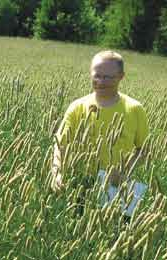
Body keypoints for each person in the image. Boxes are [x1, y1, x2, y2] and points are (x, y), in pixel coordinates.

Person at [50, 50, 149, 218]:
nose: (101, 82)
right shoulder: (77, 107)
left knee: (114, 238)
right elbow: (61, 145)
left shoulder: (134, 109)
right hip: (78, 185)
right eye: (97, 76)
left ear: (121, 76)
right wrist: (57, 173)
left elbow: (144, 151)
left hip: (116, 188)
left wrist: (123, 171)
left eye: (108, 77)